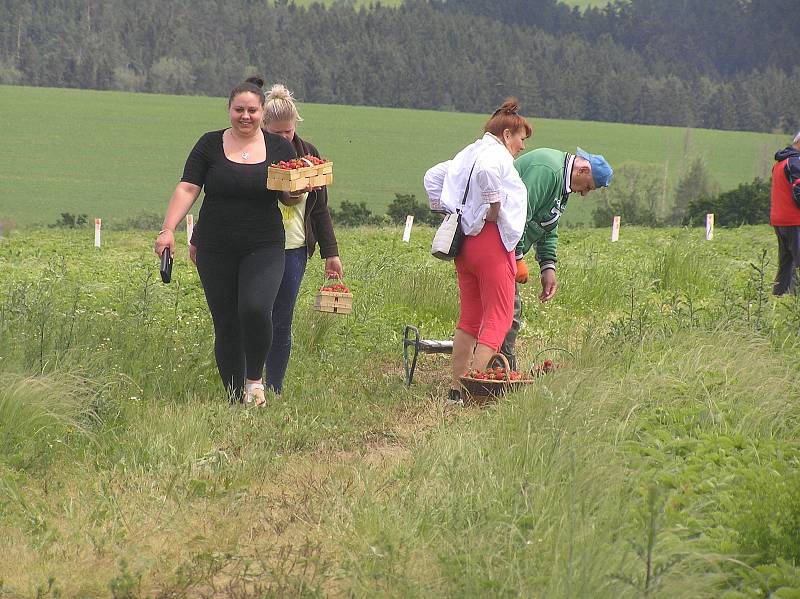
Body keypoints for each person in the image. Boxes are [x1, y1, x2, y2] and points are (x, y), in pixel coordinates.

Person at [154, 76, 300, 406]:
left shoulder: (279, 148)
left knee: (255, 308)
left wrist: (295, 192)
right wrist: (168, 229)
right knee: (226, 321)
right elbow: (188, 188)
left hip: (264, 244)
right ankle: (234, 399)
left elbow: (288, 198)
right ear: (229, 110)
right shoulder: (208, 144)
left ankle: (254, 382)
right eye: (239, 110)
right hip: (215, 246)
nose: (245, 116)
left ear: (262, 112)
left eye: (252, 110)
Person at [424, 99, 531, 405]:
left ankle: (456, 390)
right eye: (521, 139)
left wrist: (450, 210)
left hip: (464, 243)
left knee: (470, 318)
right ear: (507, 134)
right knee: (500, 316)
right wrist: (494, 207)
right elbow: (487, 173)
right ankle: (476, 388)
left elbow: (432, 177)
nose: (522, 147)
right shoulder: (494, 155)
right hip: (491, 242)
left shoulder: (466, 153)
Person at [261, 83, 343, 394]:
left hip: (294, 248)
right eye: (277, 133)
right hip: (260, 245)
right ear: (265, 127)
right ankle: (247, 382)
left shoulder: (309, 154)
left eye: (288, 132)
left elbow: (320, 208)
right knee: (256, 316)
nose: (284, 139)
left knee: (282, 321)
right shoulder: (257, 153)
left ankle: (274, 387)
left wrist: (330, 252)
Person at [499, 147, 613, 368]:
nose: (584, 193)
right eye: (588, 186)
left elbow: (549, 223)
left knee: (508, 313)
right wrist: (518, 257)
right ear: (582, 169)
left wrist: (547, 266)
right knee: (507, 313)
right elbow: (519, 213)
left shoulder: (562, 185)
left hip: (508, 250)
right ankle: (498, 372)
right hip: (499, 246)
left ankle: (498, 368)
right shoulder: (547, 170)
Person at [770, 131, 800, 296]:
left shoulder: (780, 162)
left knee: (786, 263)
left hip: (779, 219)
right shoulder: (795, 162)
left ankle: (779, 296)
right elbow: (799, 192)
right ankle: (796, 302)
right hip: (794, 219)